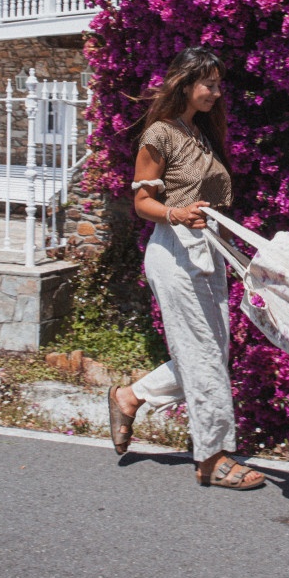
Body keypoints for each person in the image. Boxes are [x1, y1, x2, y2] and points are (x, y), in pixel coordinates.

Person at [107, 46, 265, 491]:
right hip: (173, 253)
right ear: (185, 83)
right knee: (201, 356)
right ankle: (212, 457)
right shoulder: (160, 134)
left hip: (209, 253)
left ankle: (130, 396)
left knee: (212, 354)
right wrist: (177, 214)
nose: (216, 92)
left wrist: (237, 256)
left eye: (218, 84)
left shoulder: (201, 135)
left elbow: (212, 207)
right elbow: (142, 203)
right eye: (208, 83)